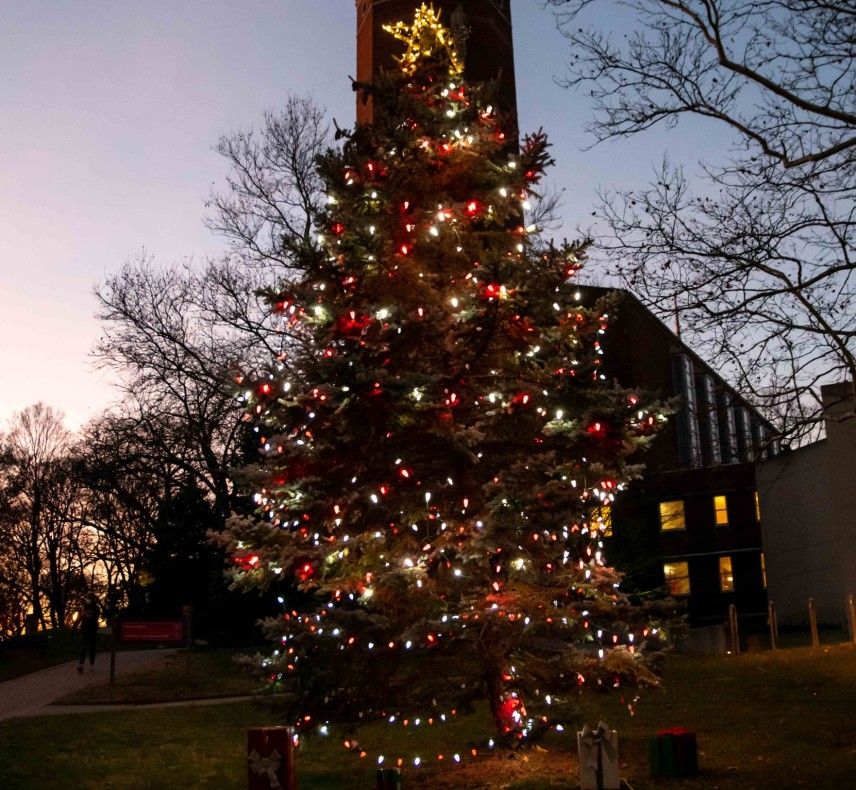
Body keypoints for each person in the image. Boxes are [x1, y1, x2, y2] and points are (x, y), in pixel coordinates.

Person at [75, 593, 101, 673]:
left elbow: (97, 616)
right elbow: (79, 618)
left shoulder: (96, 607)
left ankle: (91, 665)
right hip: (85, 629)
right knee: (84, 647)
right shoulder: (83, 607)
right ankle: (81, 664)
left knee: (91, 647)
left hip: (92, 629)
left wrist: (89, 613)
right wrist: (74, 628)